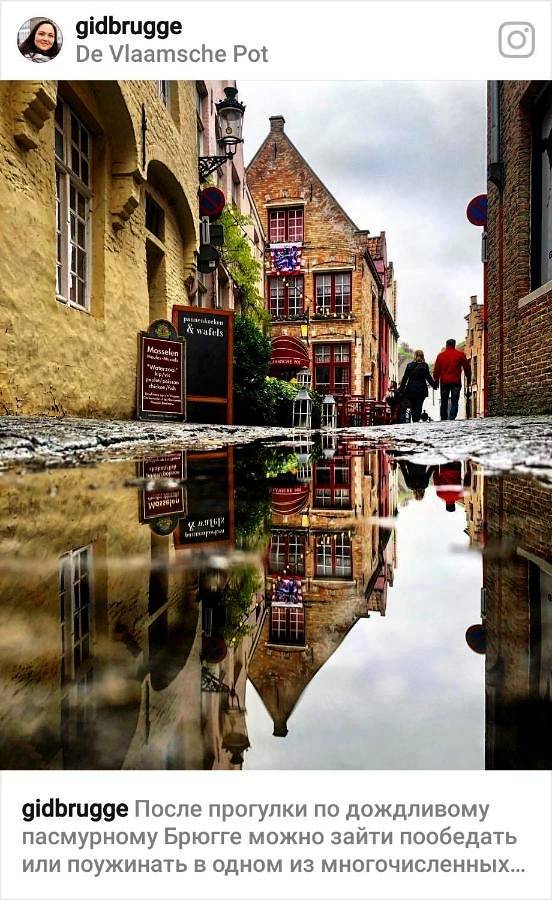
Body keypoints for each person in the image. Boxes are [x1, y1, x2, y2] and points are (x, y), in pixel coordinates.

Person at [433, 338, 471, 421]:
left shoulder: (440, 356)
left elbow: (436, 370)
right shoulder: (460, 354)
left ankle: (443, 418)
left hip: (444, 381)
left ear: (446, 345)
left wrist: (435, 381)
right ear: (454, 345)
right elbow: (467, 368)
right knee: (454, 400)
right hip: (455, 381)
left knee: (444, 401)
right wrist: (469, 379)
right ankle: (452, 417)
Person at [398, 350, 437, 422]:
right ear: (422, 356)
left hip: (411, 389)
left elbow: (405, 378)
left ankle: (415, 420)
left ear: (415, 356)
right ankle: (416, 420)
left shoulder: (409, 365)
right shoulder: (425, 366)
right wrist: (434, 385)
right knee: (419, 406)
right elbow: (428, 377)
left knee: (413, 407)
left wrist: (401, 389)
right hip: (421, 390)